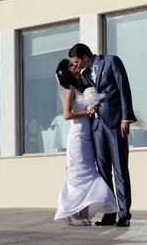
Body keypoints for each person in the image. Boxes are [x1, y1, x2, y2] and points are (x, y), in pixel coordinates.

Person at [68, 43, 136, 227]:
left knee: (120, 168)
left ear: (83, 56)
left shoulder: (111, 62)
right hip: (96, 126)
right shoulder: (84, 74)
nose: (76, 65)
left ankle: (124, 213)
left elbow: (124, 88)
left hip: (115, 122)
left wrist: (126, 118)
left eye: (76, 61)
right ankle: (109, 214)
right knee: (103, 171)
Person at [54, 59, 118, 226]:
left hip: (88, 135)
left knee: (89, 171)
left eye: (75, 63)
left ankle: (83, 214)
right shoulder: (69, 90)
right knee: (79, 174)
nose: (75, 65)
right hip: (77, 136)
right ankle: (74, 215)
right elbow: (67, 115)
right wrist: (87, 112)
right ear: (67, 71)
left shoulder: (82, 86)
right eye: (71, 65)